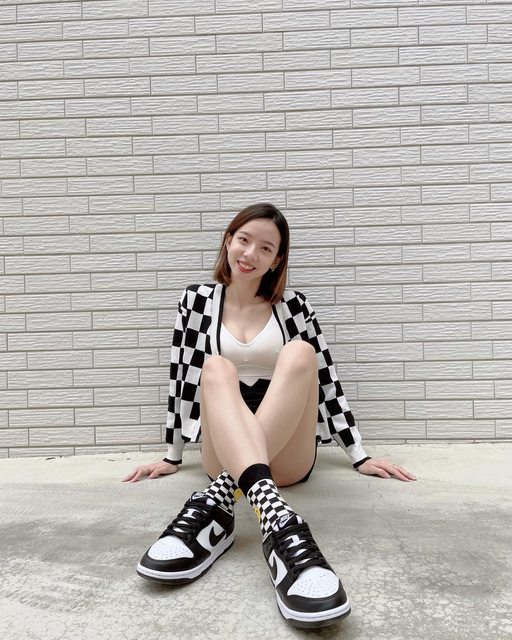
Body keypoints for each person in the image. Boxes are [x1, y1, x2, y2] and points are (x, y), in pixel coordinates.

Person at [123, 203, 415, 629]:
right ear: (228, 240)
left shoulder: (294, 306)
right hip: (225, 446)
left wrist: (358, 454)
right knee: (214, 367)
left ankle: (220, 504)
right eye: (243, 240)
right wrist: (172, 455)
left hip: (288, 450)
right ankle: (278, 520)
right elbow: (182, 375)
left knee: (300, 353)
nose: (250, 254)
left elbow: (326, 379)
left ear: (277, 259)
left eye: (265, 248)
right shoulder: (196, 300)